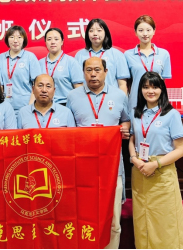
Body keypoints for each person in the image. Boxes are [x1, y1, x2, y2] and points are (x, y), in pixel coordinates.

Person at [66, 57, 130, 250]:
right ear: (83, 73)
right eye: (89, 70)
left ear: (105, 72)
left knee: (114, 221)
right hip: (82, 169)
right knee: (83, 218)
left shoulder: (119, 95)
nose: (93, 74)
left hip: (113, 169)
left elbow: (126, 120)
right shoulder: (72, 96)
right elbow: (68, 132)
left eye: (97, 70)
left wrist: (125, 129)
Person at [129, 71, 183, 249]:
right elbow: (132, 139)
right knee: (142, 221)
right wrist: (134, 159)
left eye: (154, 87)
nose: (150, 91)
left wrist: (156, 164)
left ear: (162, 89)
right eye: (146, 87)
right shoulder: (136, 113)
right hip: (140, 171)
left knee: (166, 223)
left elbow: (181, 150)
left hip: (161, 172)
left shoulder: (171, 114)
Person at [125, 15, 172, 109]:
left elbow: (163, 82)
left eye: (148, 30)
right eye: (140, 30)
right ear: (135, 32)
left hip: (157, 104)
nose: (145, 34)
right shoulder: (128, 55)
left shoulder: (164, 54)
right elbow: (126, 83)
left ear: (154, 31)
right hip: (135, 103)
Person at [0, 25, 41, 120]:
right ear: (7, 39)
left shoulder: (30, 57)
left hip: (25, 105)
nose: (15, 41)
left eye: (19, 37)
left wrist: (30, 106)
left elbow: (37, 84)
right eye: (12, 37)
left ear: (24, 40)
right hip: (5, 106)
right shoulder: (1, 58)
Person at [74, 18, 130, 95]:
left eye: (99, 30)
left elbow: (122, 84)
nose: (95, 34)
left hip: (111, 98)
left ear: (105, 33)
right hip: (87, 98)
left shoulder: (117, 54)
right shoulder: (80, 55)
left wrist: (121, 100)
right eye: (91, 31)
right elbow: (78, 83)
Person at [38, 27, 83, 106]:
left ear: (62, 42)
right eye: (49, 39)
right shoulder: (39, 63)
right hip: (43, 106)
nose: (52, 42)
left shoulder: (71, 62)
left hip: (65, 105)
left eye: (56, 39)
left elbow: (79, 89)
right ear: (45, 42)